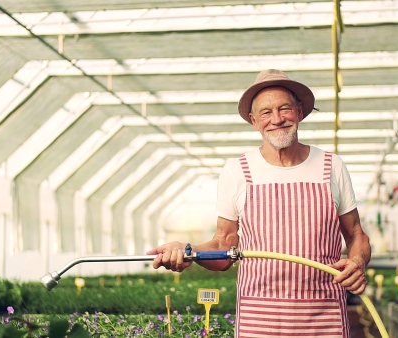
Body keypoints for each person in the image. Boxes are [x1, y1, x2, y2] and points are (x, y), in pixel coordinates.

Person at [147, 69, 371, 337]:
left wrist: (357, 261)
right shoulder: (238, 171)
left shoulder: (331, 166)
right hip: (259, 319)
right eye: (266, 113)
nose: (277, 119)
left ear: (299, 111)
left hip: (323, 317)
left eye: (284, 109)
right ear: (254, 120)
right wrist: (188, 250)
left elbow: (355, 233)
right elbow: (223, 247)